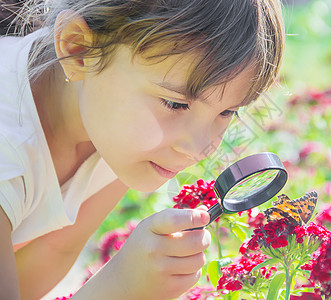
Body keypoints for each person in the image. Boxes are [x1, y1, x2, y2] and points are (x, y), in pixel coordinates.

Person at [0, 0, 285, 299]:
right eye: (175, 104)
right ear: (77, 49)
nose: (199, 149)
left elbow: (57, 247)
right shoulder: (8, 149)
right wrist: (121, 287)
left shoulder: (110, 117)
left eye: (227, 112)